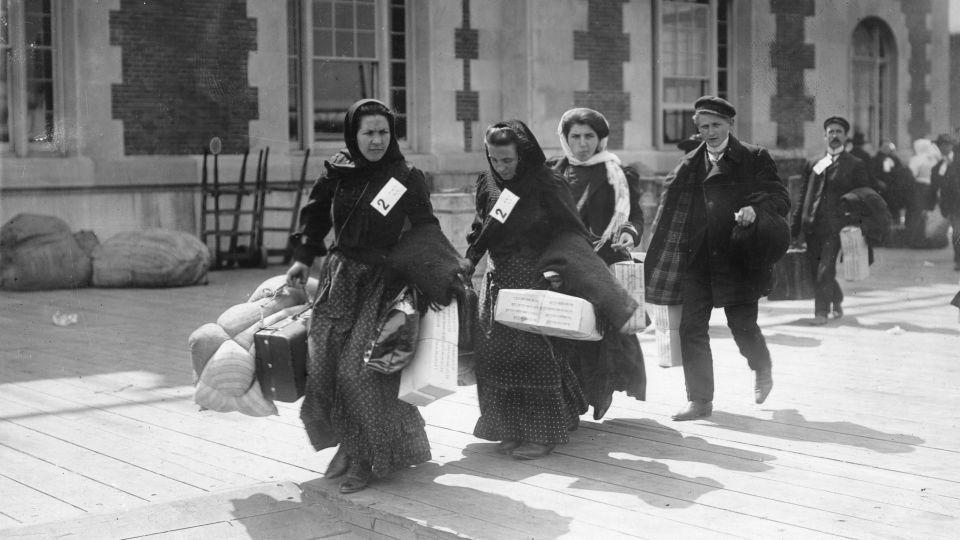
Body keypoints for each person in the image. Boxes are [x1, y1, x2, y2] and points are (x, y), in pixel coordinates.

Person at [286, 99, 466, 493]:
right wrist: (303, 258)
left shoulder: (406, 176)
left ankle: (367, 458)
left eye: (383, 132)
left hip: (383, 284)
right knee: (326, 369)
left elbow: (425, 228)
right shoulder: (338, 171)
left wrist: (443, 272)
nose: (376, 140)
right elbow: (315, 216)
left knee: (362, 371)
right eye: (368, 132)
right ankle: (350, 446)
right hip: (340, 280)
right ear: (353, 134)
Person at [465, 120, 639, 459]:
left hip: (536, 277)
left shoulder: (547, 184)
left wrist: (559, 270)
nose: (501, 168)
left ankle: (542, 433)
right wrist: (470, 259)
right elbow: (481, 226)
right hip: (498, 280)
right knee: (496, 358)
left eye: (508, 161)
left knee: (534, 356)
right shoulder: (488, 182)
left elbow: (571, 233)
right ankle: (511, 427)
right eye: (494, 160)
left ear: (524, 155)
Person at [645, 96, 790, 421]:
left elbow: (780, 197)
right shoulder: (690, 163)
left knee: (742, 326)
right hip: (697, 260)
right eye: (703, 127)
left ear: (729, 125)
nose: (710, 132)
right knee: (691, 328)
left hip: (738, 258)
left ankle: (761, 366)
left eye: (716, 125)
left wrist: (756, 208)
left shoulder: (753, 157)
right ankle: (700, 400)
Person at [545, 107, 646, 419]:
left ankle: (600, 389)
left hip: (602, 261)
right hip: (562, 261)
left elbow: (635, 216)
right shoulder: (552, 172)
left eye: (589, 136)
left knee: (600, 335)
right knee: (563, 330)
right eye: (575, 136)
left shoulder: (617, 173)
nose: (582, 143)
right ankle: (570, 399)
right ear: (565, 138)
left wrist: (629, 232)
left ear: (601, 139)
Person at [792, 116, 869, 325]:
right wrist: (795, 226)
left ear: (845, 136)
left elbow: (862, 197)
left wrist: (856, 224)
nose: (835, 135)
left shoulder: (855, 164)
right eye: (831, 131)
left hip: (836, 228)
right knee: (813, 269)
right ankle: (837, 297)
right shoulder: (814, 163)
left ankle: (821, 313)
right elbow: (803, 195)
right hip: (812, 226)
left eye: (839, 132)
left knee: (826, 269)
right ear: (825, 135)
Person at [929, 134, 960, 270]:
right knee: (957, 232)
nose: (942, 147)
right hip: (952, 206)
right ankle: (958, 260)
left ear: (951, 146)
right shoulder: (939, 165)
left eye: (945, 144)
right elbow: (936, 183)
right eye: (940, 145)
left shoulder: (957, 161)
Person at [906, 138, 942, 248]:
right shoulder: (934, 158)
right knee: (927, 213)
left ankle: (916, 239)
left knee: (916, 213)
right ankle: (926, 238)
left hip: (919, 187)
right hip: (932, 187)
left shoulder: (917, 159)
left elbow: (912, 173)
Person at [869, 140, 913, 225]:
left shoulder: (894, 158)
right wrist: (878, 182)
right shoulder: (875, 159)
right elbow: (872, 174)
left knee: (894, 207)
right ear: (880, 147)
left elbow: (900, 170)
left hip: (893, 188)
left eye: (888, 147)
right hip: (881, 188)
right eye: (885, 147)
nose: (887, 149)